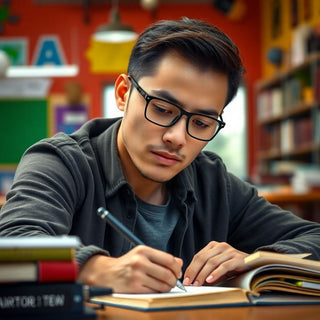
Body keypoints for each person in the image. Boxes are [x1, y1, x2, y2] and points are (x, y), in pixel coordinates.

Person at [0, 18, 320, 294]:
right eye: (163, 109)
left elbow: (313, 237)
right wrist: (94, 269)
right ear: (124, 94)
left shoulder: (213, 181)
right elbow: (12, 245)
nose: (177, 137)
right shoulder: (60, 163)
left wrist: (257, 260)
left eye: (201, 123)